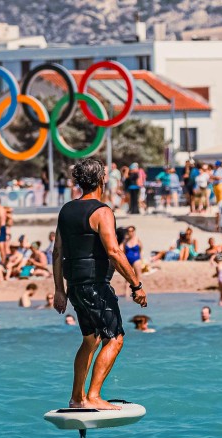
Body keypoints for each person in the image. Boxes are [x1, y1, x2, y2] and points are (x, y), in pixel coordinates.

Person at [53, 158, 147, 410]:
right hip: (95, 286)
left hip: (74, 285)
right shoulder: (102, 212)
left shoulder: (66, 210)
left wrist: (59, 290)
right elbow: (114, 252)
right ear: (101, 180)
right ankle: (93, 396)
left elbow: (56, 252)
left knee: (90, 339)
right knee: (114, 338)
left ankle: (76, 398)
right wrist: (136, 285)